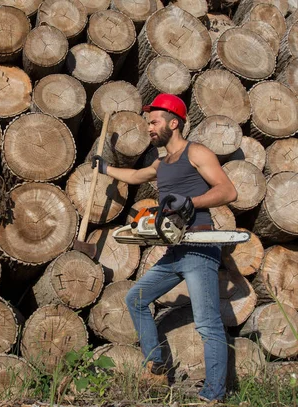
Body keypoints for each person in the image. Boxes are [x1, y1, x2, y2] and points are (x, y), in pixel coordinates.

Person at [91, 94, 237, 404]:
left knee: (207, 324)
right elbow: (134, 176)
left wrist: (191, 203)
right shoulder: (162, 162)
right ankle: (155, 361)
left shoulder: (195, 152)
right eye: (148, 122)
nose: (149, 127)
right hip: (174, 249)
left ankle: (214, 395)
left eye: (154, 121)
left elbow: (228, 190)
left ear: (174, 123)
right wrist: (105, 169)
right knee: (137, 299)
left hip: (198, 246)